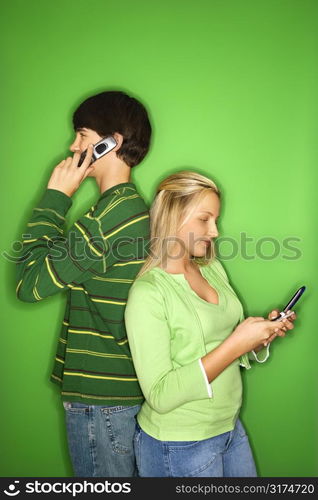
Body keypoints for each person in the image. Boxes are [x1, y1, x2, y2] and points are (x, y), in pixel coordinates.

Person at [124, 171, 297, 477]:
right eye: (205, 219)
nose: (215, 231)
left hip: (229, 427)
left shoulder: (211, 268)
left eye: (215, 219)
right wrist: (237, 344)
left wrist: (258, 337)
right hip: (179, 444)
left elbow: (219, 344)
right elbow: (160, 395)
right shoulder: (148, 293)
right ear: (174, 216)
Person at [16, 90, 151, 477]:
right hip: (119, 395)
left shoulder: (107, 220)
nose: (73, 146)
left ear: (112, 143)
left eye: (82, 135)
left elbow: (30, 282)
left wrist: (55, 197)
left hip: (102, 402)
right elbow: (60, 263)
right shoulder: (122, 211)